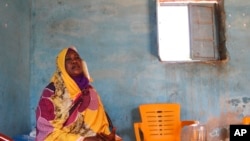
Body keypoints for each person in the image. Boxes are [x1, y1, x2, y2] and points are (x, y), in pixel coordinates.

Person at [35, 46, 122, 141]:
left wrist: (108, 138)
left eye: (77, 58)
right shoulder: (52, 94)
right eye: (68, 59)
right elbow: (48, 134)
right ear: (61, 66)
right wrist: (84, 139)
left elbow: (101, 129)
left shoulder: (90, 91)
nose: (74, 61)